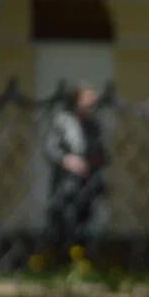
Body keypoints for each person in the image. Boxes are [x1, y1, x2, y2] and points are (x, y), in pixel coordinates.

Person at [44, 83, 106, 258]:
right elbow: (49, 148)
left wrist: (95, 160)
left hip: (88, 181)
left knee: (85, 219)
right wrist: (67, 160)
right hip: (66, 181)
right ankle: (59, 257)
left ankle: (81, 257)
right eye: (86, 101)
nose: (90, 106)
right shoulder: (63, 121)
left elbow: (101, 151)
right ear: (76, 101)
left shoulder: (93, 124)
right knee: (63, 217)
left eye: (92, 102)